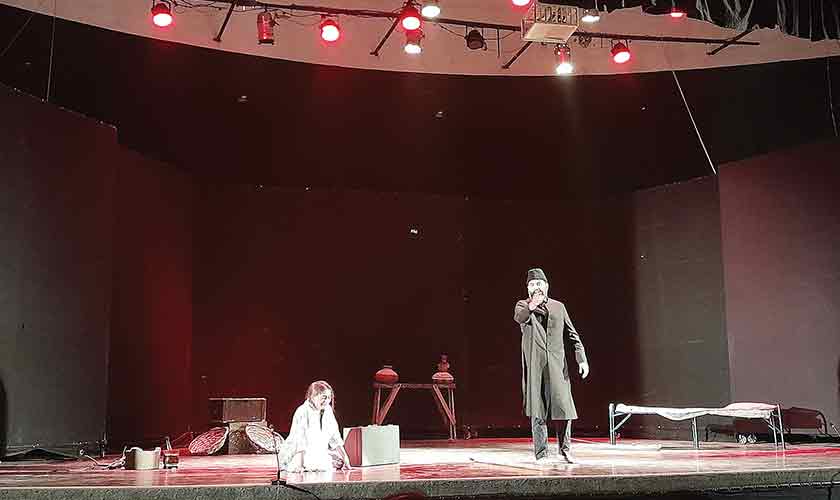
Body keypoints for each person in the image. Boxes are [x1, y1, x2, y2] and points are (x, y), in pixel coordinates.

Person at [513, 268, 589, 463]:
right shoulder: (523, 305)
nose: (535, 287)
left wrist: (581, 359)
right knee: (538, 410)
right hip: (536, 365)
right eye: (531, 284)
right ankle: (541, 453)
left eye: (539, 283)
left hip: (557, 365)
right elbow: (520, 318)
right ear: (527, 288)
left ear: (546, 286)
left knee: (563, 407)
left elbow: (572, 335)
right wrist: (533, 304)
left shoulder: (558, 307)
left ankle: (565, 450)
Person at [280, 380, 352, 472]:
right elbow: (300, 440)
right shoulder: (302, 411)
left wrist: (346, 459)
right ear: (313, 396)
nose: (327, 401)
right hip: (300, 451)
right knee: (302, 464)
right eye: (324, 397)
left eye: (329, 397)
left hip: (317, 450)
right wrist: (301, 464)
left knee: (338, 459)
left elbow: (334, 435)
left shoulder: (327, 410)